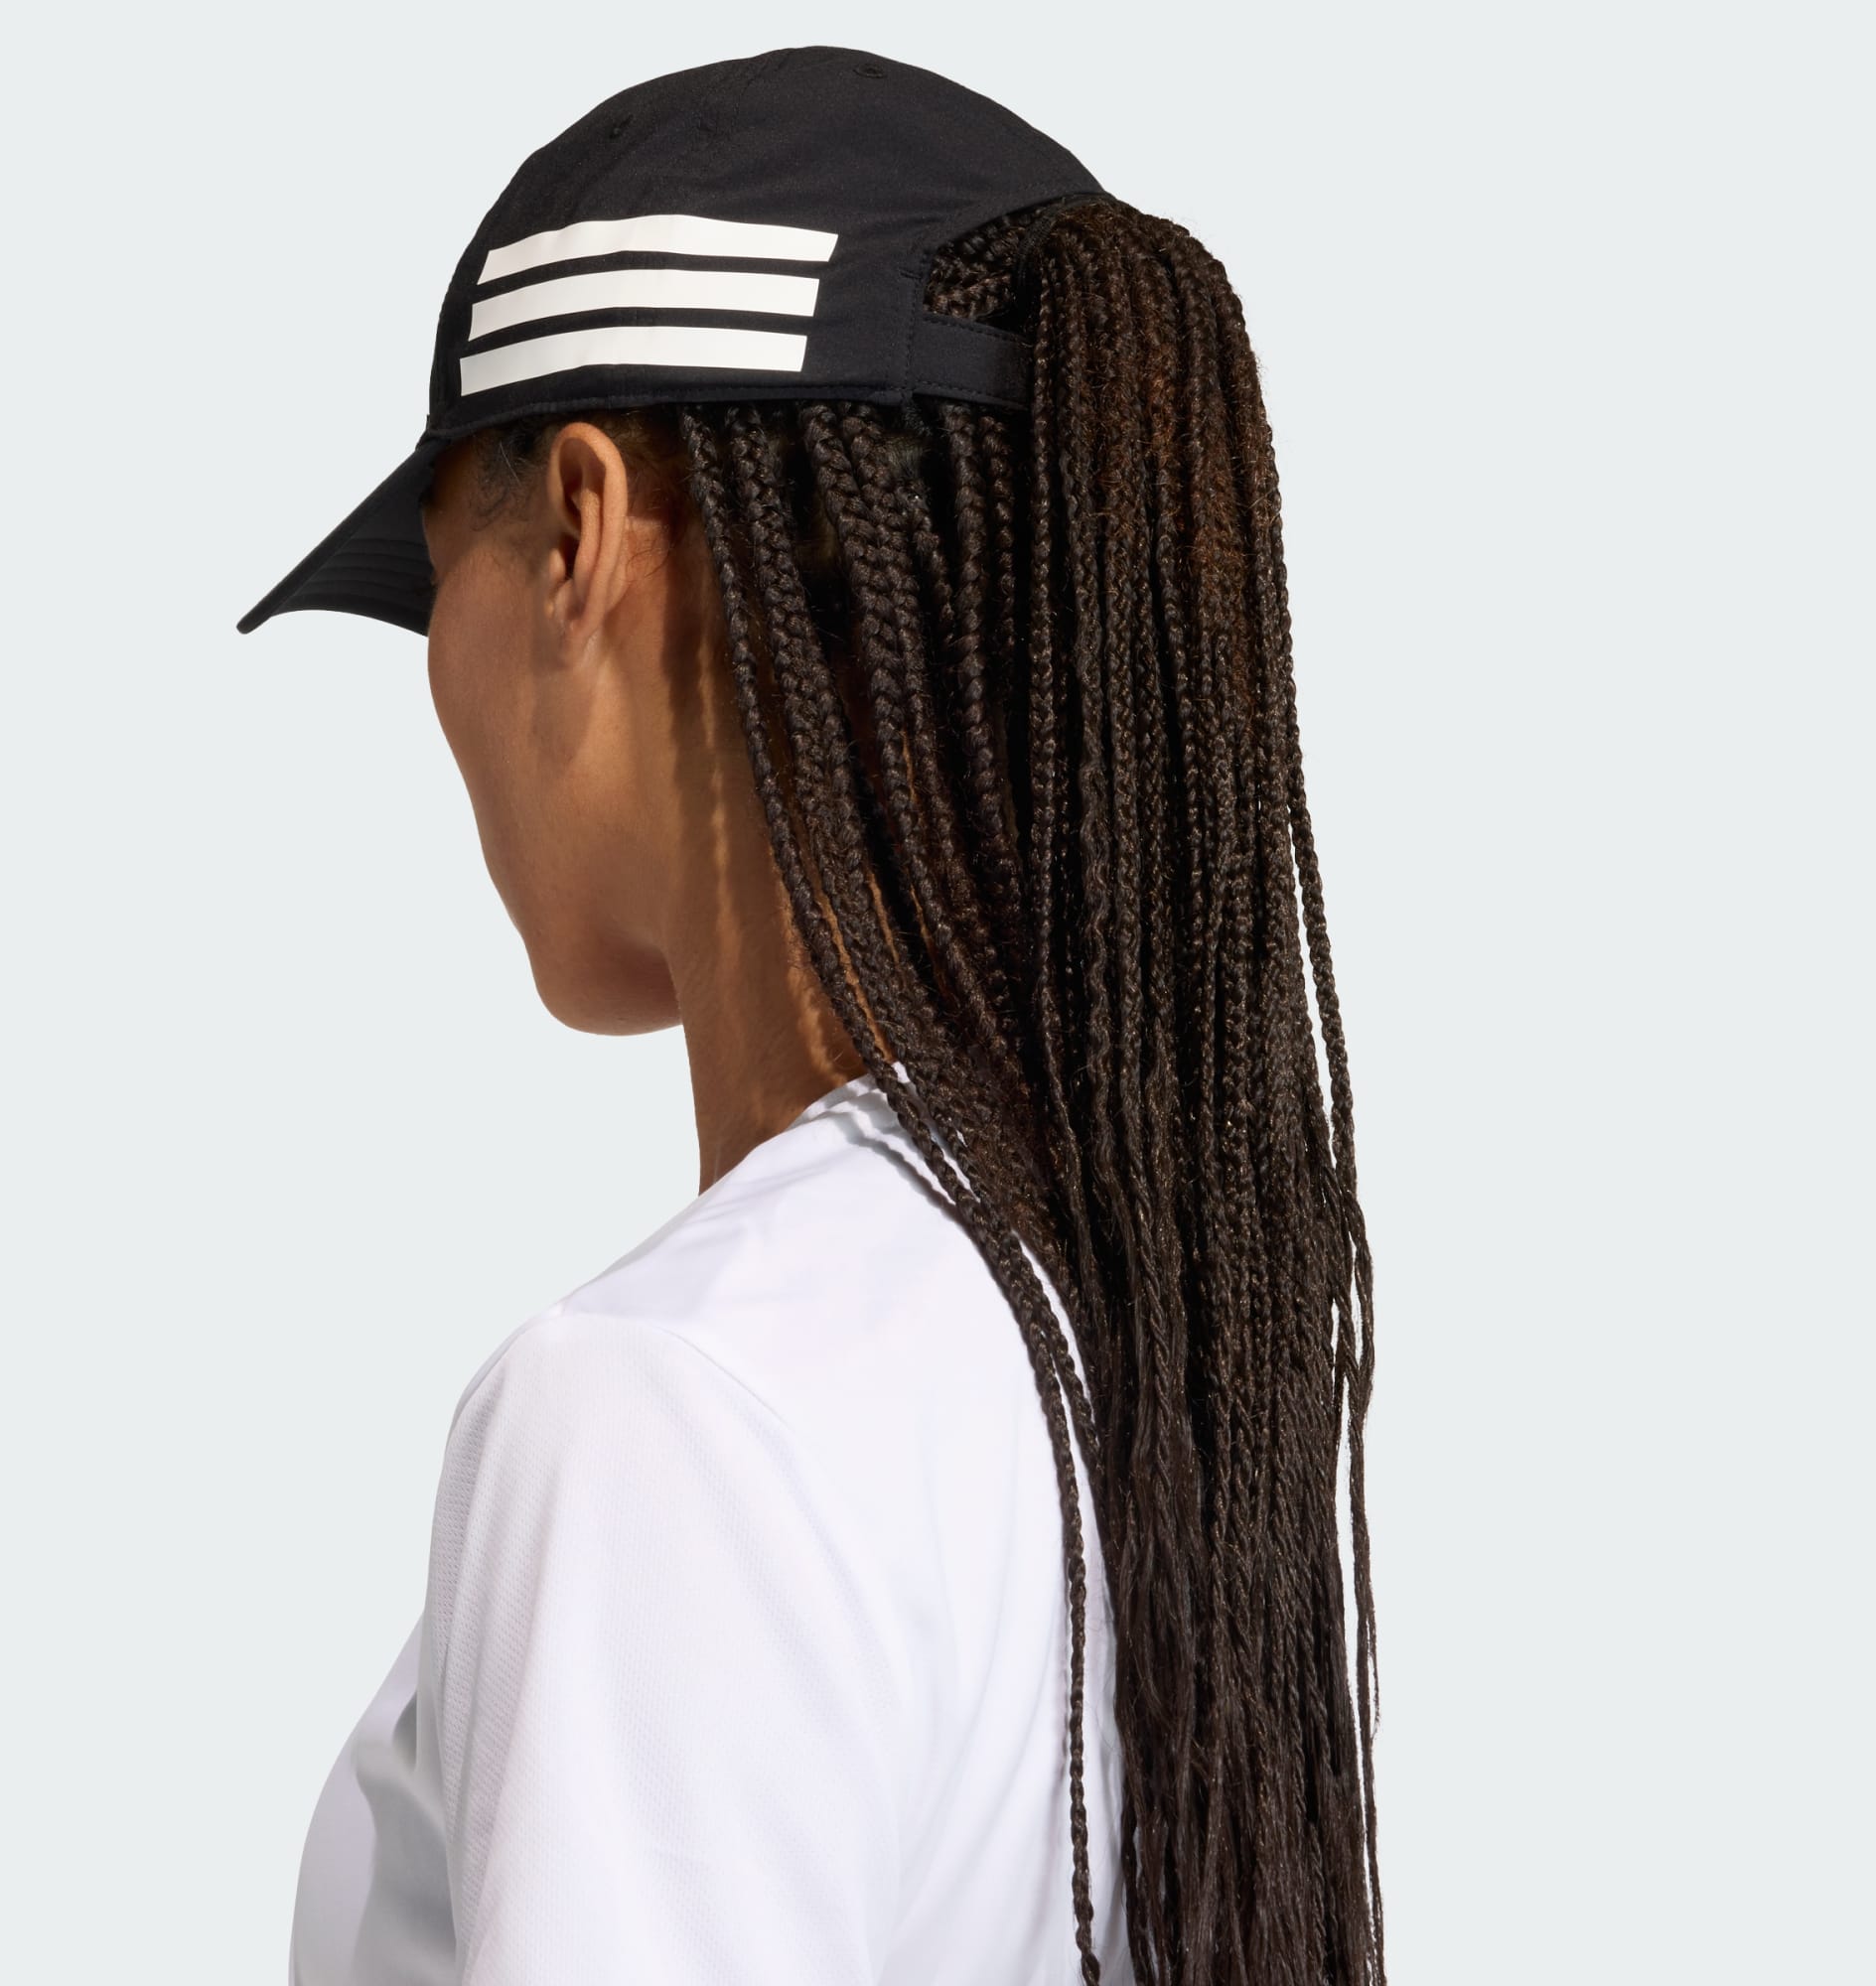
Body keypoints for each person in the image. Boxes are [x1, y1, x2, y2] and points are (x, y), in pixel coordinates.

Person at [238, 44, 1384, 1986]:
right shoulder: (1147, 1366)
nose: (436, 686)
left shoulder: (673, 1401)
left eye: (434, 581)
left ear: (579, 531)